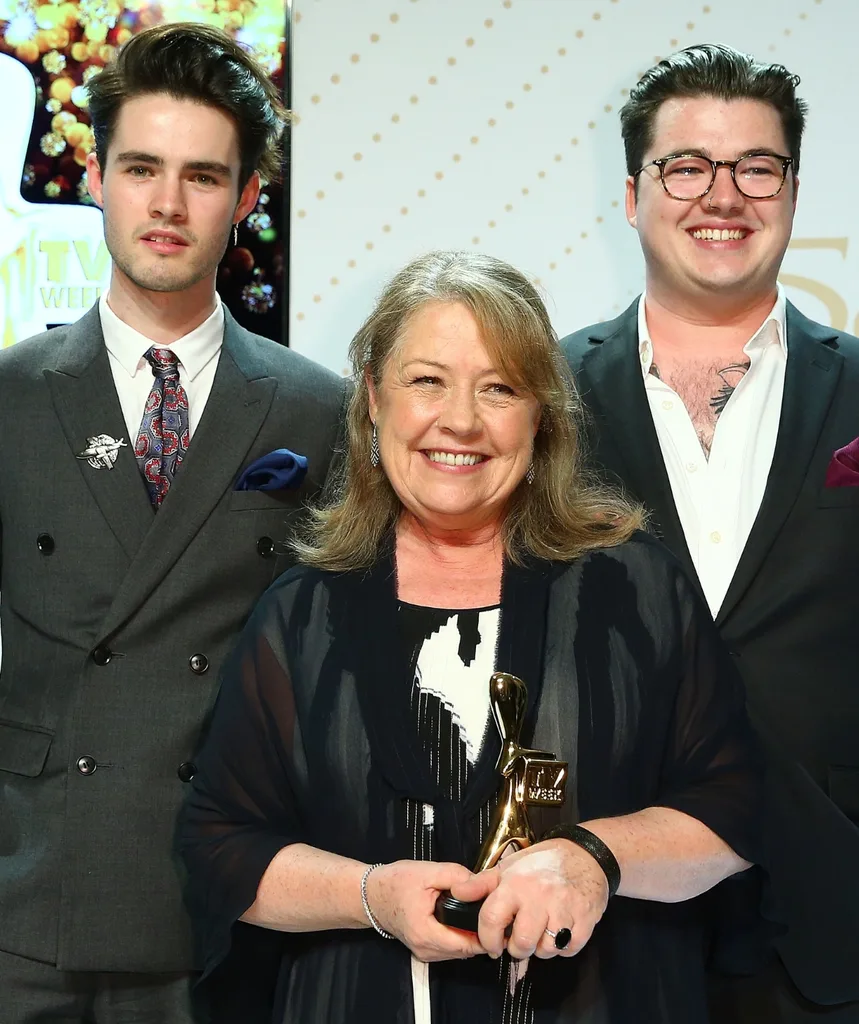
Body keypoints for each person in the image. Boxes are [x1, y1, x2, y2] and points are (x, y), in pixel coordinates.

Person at [179, 250, 763, 1024]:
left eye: (498, 388)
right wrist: (370, 897)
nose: (459, 420)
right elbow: (221, 845)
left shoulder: (634, 590)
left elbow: (734, 807)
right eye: (426, 380)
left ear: (541, 417)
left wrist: (594, 859)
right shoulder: (301, 614)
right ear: (372, 402)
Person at [0, 23, 345, 1024]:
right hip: (31, 895)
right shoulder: (12, 396)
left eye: (201, 176)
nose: (165, 202)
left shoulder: (315, 410)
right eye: (141, 167)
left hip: (225, 895)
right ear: (98, 178)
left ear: (244, 200)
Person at [561, 43, 859, 1024]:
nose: (720, 195)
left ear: (792, 189)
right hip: (596, 910)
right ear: (632, 192)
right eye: (685, 166)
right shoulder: (537, 398)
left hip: (824, 918)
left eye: (755, 167)